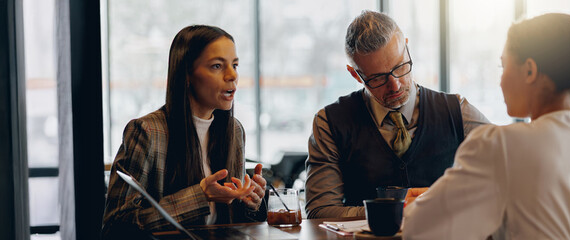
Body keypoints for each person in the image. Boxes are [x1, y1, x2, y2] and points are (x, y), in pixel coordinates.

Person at [402, 13, 570, 239]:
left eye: (503, 66)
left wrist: (426, 202)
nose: (500, 81)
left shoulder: (500, 145)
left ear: (530, 70)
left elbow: (419, 228)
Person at [305, 10, 490, 219]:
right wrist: (398, 211)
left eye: (400, 66)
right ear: (355, 74)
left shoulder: (457, 111)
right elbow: (320, 211)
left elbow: (512, 162)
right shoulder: (330, 123)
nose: (395, 85)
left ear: (407, 47)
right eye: (377, 78)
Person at [102, 25, 267, 237]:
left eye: (235, 65)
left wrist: (251, 203)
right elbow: (117, 226)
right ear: (187, 73)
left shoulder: (234, 131)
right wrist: (200, 195)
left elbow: (231, 224)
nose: (232, 75)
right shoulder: (147, 131)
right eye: (217, 66)